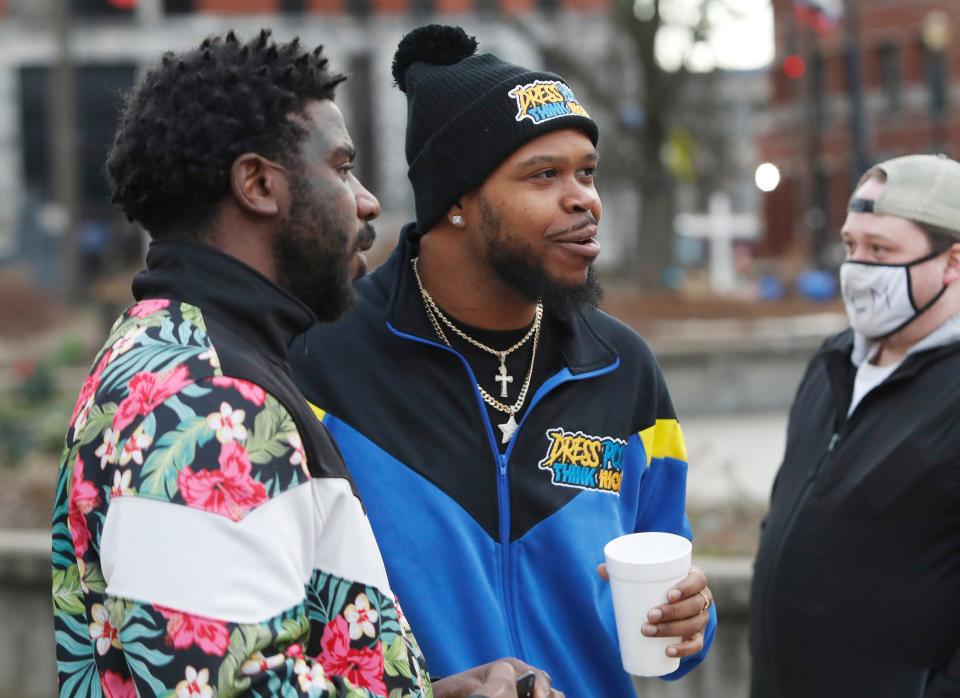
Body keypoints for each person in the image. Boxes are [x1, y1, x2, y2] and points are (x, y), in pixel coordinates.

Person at [51, 29, 560, 698]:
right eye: (342, 167)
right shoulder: (203, 402)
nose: (368, 201)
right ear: (260, 184)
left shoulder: (187, 359)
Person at [291, 24, 716, 697]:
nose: (584, 199)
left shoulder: (622, 368)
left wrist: (693, 619)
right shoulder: (320, 361)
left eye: (586, 172)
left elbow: (664, 572)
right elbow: (272, 625)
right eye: (544, 175)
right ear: (455, 200)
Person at [750, 154, 960, 697]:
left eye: (882, 250)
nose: (858, 268)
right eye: (851, 246)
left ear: (952, 262)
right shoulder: (835, 360)